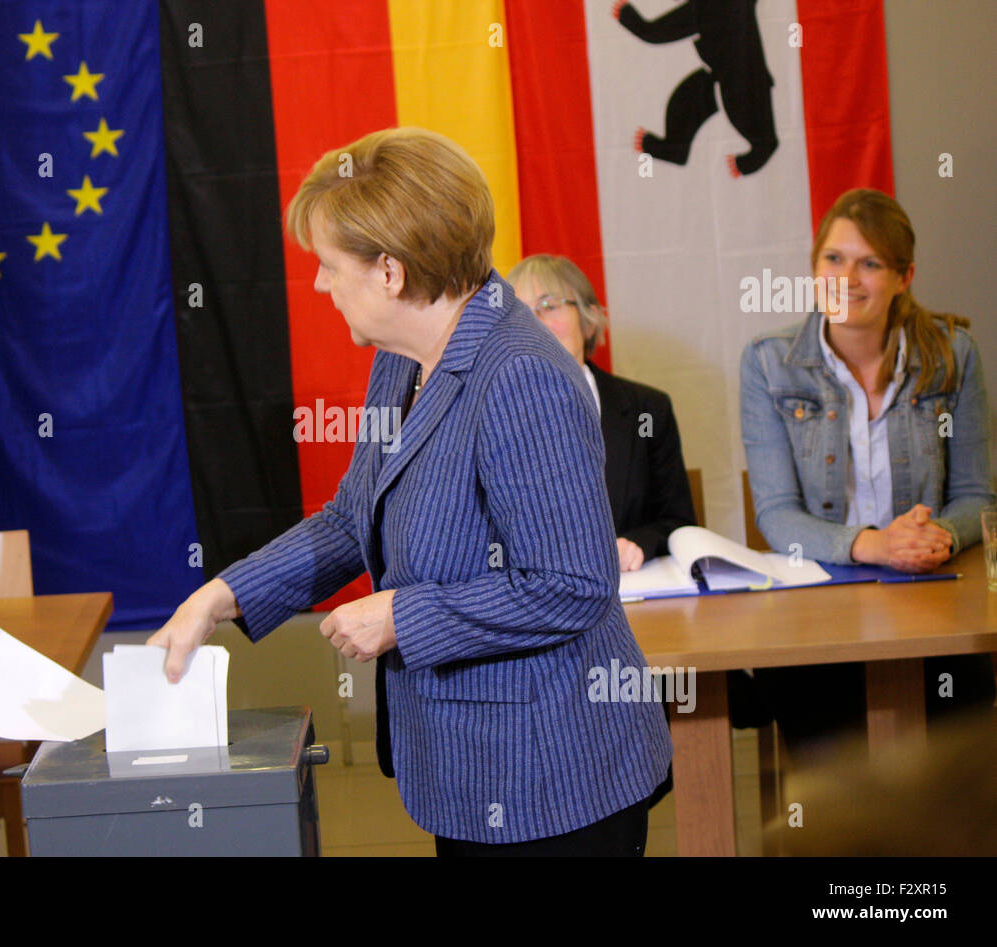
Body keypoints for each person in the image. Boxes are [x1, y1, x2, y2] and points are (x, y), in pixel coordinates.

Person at [149, 127, 672, 856]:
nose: (321, 284)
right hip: (465, 766)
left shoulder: (519, 375)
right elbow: (349, 520)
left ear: (390, 271)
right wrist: (220, 596)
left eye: (330, 266)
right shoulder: (403, 358)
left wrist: (403, 614)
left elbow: (573, 585)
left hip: (549, 779)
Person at [740, 187, 995, 761]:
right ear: (813, 268)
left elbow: (977, 494)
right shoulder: (767, 361)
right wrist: (874, 546)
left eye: (870, 263)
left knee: (959, 766)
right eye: (834, 259)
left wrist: (941, 537)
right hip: (819, 604)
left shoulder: (954, 354)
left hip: (934, 594)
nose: (847, 278)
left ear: (904, 276)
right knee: (836, 774)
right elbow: (776, 514)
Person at [507, 254, 697, 572]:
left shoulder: (647, 410)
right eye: (521, 313)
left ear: (589, 317)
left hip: (630, 593)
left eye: (549, 306)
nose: (534, 323)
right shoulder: (483, 415)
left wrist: (637, 544)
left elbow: (676, 522)